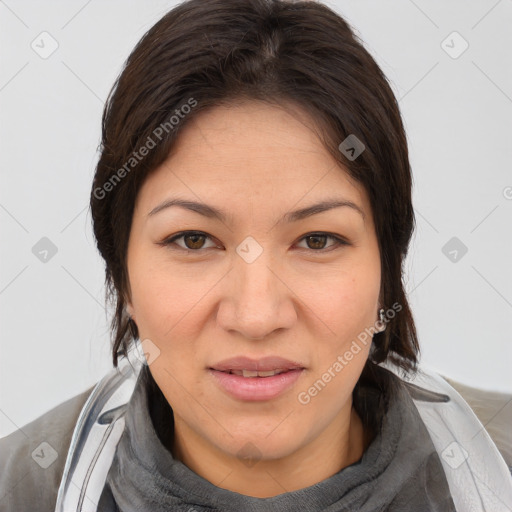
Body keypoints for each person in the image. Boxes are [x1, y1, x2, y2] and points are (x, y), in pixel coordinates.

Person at [1, 0, 511, 510]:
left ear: (386, 269)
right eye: (193, 240)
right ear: (123, 275)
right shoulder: (21, 488)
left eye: (317, 240)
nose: (256, 315)